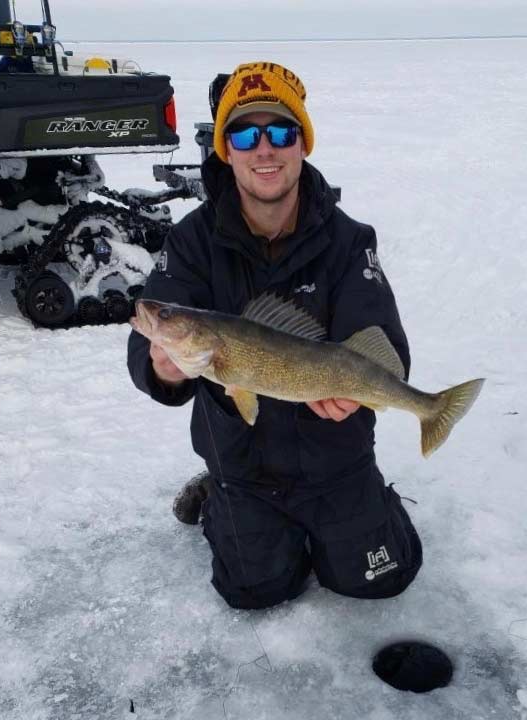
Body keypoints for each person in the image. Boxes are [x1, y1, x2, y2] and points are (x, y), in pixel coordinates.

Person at [127, 61, 422, 610]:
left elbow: (378, 336)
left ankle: (371, 505)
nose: (264, 149)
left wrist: (361, 392)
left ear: (302, 143)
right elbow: (149, 340)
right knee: (255, 591)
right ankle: (218, 496)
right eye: (244, 133)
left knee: (381, 579)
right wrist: (161, 363)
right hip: (243, 464)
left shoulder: (349, 240)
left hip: (336, 459)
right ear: (226, 149)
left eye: (281, 131)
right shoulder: (191, 241)